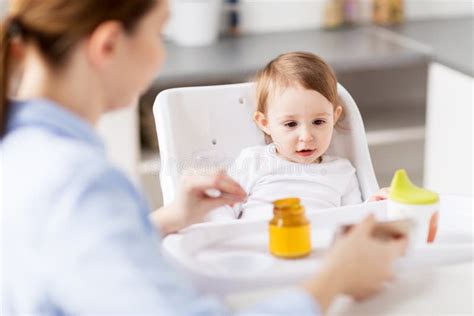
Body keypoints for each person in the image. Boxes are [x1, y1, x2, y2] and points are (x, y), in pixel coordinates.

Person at [1, 0, 406, 315]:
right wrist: (334, 280)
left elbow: (78, 263)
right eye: (161, 33)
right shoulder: (79, 180)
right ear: (107, 45)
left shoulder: (24, 151)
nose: (162, 54)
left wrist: (169, 219)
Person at [218, 52, 389, 220]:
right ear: (265, 123)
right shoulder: (253, 161)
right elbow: (222, 208)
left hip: (320, 245)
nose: (306, 137)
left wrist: (373, 204)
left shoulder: (342, 171)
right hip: (256, 243)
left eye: (318, 122)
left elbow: (353, 220)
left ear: (334, 117)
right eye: (291, 124)